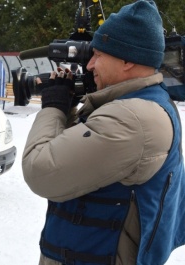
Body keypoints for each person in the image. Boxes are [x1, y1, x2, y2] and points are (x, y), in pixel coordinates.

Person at [22, 1, 185, 265]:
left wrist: (53, 107)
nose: (89, 66)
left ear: (128, 60)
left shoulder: (132, 119)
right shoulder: (142, 103)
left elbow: (40, 171)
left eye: (97, 55)